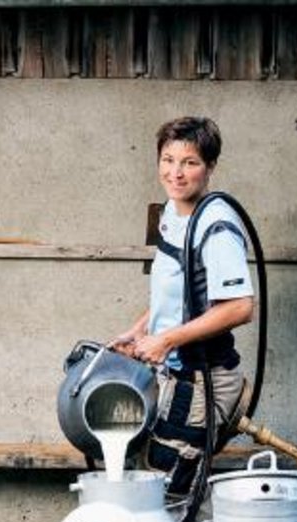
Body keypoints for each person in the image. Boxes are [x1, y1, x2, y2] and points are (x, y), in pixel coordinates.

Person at [111, 116, 255, 499]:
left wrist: (167, 340)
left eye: (189, 162)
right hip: (177, 373)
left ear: (209, 168)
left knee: (169, 490)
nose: (175, 172)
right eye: (167, 159)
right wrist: (141, 330)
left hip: (202, 381)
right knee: (156, 479)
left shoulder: (217, 227)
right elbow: (176, 290)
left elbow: (240, 307)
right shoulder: (174, 214)